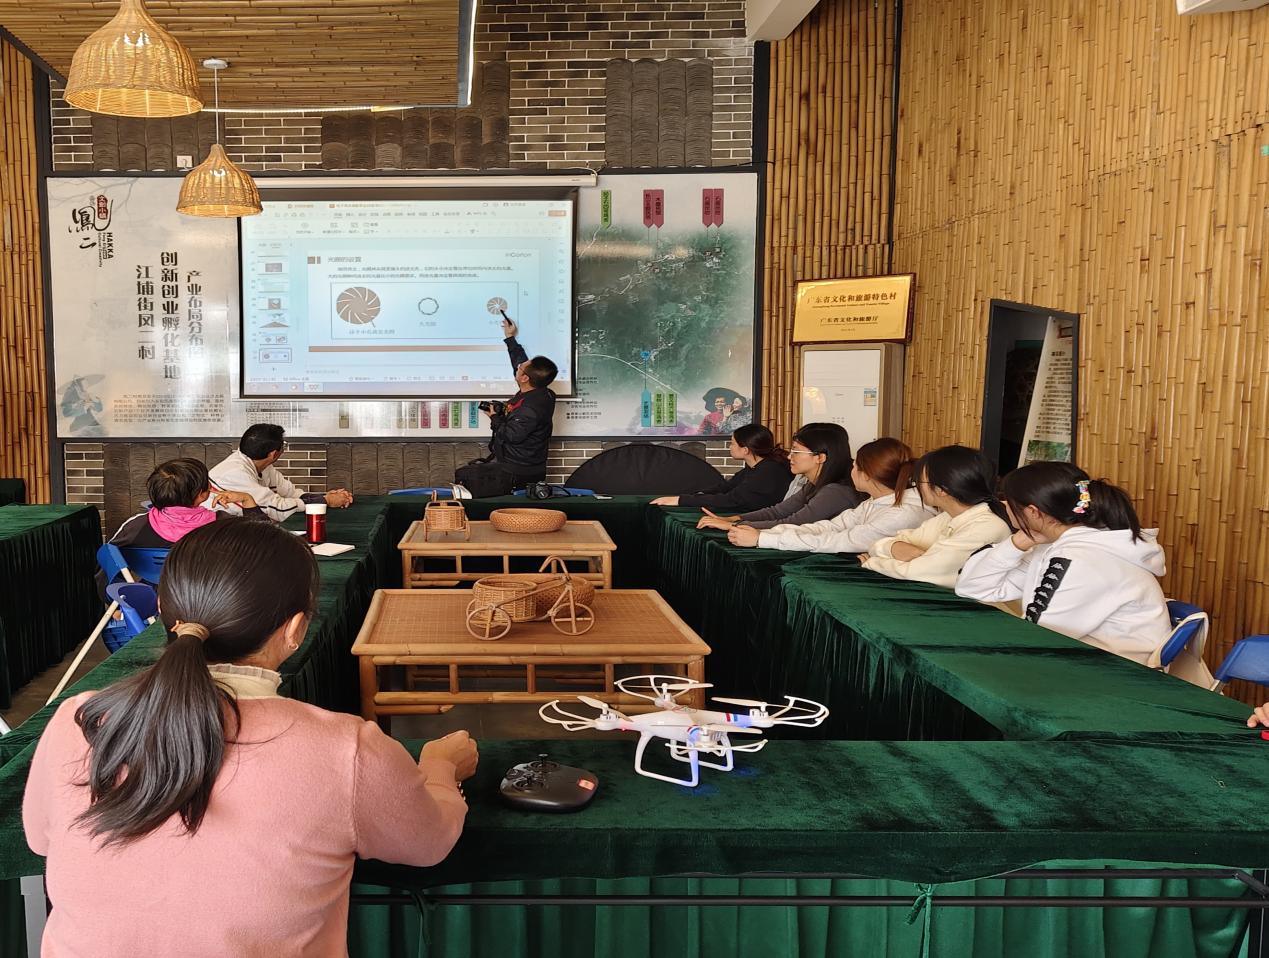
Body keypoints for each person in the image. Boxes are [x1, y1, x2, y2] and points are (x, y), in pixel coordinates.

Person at [24, 520, 477, 956]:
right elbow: (427, 842)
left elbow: (40, 840)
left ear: (161, 608)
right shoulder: (345, 748)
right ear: (295, 630)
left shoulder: (79, 720)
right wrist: (440, 766)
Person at [955, 461, 1171, 665]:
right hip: (1083, 663)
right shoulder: (1059, 546)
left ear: (1033, 512)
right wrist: (1017, 542)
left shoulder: (1080, 559)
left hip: (1114, 675)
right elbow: (972, 588)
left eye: (1008, 501)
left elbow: (1036, 639)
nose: (1003, 505)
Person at [727, 437, 936, 551]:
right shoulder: (875, 502)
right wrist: (763, 534)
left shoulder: (902, 513)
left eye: (855, 466)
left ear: (867, 474)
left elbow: (839, 540)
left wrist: (762, 538)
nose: (851, 470)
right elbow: (829, 527)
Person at [97, 457, 261, 596]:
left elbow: (108, 558)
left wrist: (114, 599)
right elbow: (265, 543)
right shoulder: (224, 524)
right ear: (201, 494)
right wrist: (247, 500)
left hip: (156, 600)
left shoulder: (136, 526)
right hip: (211, 599)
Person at [861, 445, 1012, 587]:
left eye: (919, 481)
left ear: (941, 490)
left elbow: (916, 572)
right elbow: (879, 544)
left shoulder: (986, 528)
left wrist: (872, 563)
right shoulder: (949, 516)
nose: (916, 486)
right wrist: (894, 547)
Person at [696, 422, 863, 533]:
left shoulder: (835, 491)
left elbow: (794, 523)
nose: (790, 456)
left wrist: (734, 525)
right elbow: (778, 511)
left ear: (820, 457)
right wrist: (734, 518)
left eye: (796, 451)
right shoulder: (812, 484)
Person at [458, 315, 558, 494]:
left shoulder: (530, 408)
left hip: (519, 471)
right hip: (523, 465)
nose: (518, 366)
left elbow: (511, 435)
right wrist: (510, 338)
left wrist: (494, 417)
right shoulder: (542, 392)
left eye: (521, 368)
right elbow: (519, 363)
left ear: (525, 378)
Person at [210, 423, 353, 522]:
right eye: (283, 445)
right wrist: (326, 501)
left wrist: (325, 497)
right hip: (219, 534)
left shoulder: (262, 465)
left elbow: (291, 493)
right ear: (273, 454)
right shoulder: (234, 473)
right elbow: (279, 509)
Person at [651, 424, 792, 512]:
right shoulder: (757, 466)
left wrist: (682, 501)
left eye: (732, 443)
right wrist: (696, 495)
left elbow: (731, 500)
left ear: (745, 450)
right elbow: (726, 487)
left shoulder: (768, 471)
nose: (730, 447)